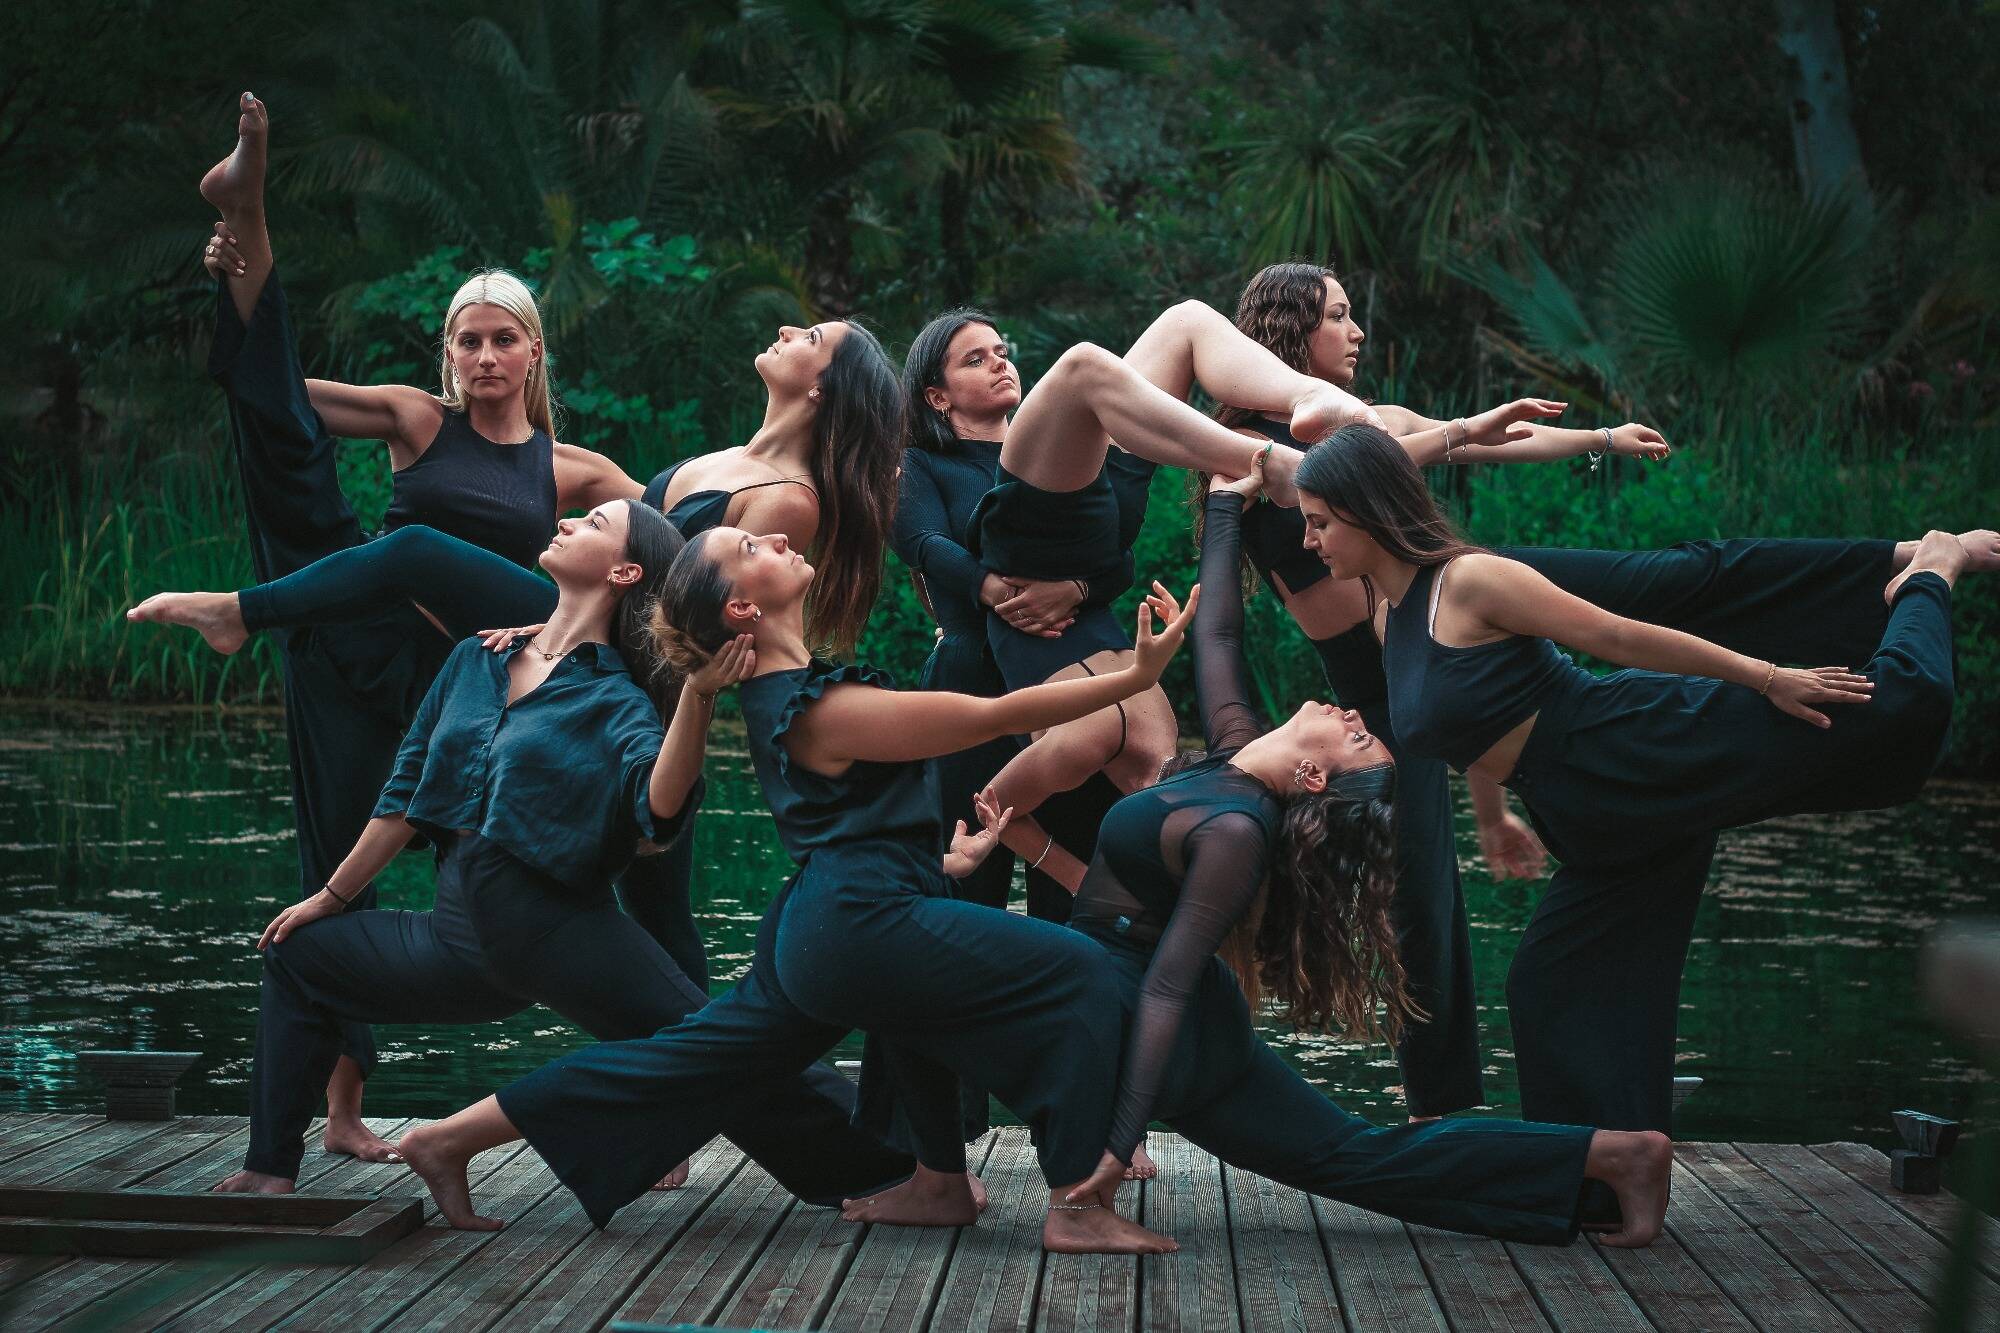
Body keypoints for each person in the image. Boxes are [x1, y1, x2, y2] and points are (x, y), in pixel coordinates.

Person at [391, 525, 1203, 1255]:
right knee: (1079, 971)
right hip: (855, 923)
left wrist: (946, 863)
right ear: (742, 608)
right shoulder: (820, 709)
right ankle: (1075, 1200)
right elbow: (996, 714)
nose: (775, 534)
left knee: (690, 1058)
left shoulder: (793, 690)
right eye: (751, 546)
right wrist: (1134, 673)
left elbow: (850, 823)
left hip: (838, 918)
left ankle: (453, 1137)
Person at [211, 500, 916, 1202]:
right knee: (297, 955)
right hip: (456, 938)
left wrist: (698, 697)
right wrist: (329, 898)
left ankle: (894, 1168)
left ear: (624, 569)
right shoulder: (474, 661)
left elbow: (658, 806)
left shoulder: (617, 698)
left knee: (719, 1048)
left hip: (562, 932)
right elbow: (402, 797)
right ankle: (270, 1167)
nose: (570, 521)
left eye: (595, 523)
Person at [1294, 425, 1981, 1145]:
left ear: (1367, 510)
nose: (1311, 541)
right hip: (1589, 812)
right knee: (1550, 980)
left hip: (1639, 745)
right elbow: (1467, 720)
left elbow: (1619, 635)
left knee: (1895, 708)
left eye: (1320, 522)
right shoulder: (1386, 616)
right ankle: (1610, 1168)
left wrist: (1770, 677)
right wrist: (1492, 814)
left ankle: (1931, 570)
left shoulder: (1471, 580)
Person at [171, 93, 627, 1165]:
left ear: (532, 351)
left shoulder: (576, 471)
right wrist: (241, 280)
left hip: (460, 690)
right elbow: (276, 395)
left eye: (501, 339)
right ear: (448, 353)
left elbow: (666, 535)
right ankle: (327, 1113)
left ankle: (638, 1090)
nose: (481, 355)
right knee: (277, 436)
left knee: (499, 883)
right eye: (465, 340)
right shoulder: (414, 417)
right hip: (354, 645)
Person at [1052, 470, 1673, 1248]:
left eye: (1354, 737)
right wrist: (1220, 504)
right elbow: (1217, 637)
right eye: (1359, 725)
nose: (1351, 711)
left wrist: (1117, 1145)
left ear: (1313, 776)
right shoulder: (1232, 761)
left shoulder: (1237, 826)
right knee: (1352, 1156)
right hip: (1146, 1010)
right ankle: (1612, 1154)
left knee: (1353, 1156)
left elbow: (1169, 986)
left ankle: (1617, 1155)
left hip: (1160, 1017)